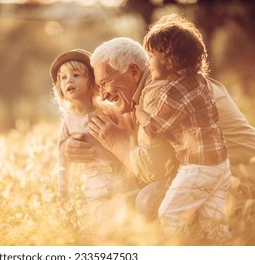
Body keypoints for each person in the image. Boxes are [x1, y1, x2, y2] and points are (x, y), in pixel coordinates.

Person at [64, 33, 255, 242]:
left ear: (134, 71)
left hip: (239, 178)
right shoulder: (150, 91)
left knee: (147, 200)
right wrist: (78, 145)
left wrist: (114, 141)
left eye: (105, 83)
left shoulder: (157, 91)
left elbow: (154, 168)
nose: (103, 95)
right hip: (222, 171)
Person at [134, 13, 231, 240]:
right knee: (214, 224)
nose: (148, 62)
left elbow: (154, 128)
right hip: (220, 165)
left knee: (169, 215)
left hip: (198, 167)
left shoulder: (173, 91)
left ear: (170, 59)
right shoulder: (199, 81)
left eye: (151, 56)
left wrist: (139, 113)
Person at [49, 49, 133, 218]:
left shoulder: (109, 111)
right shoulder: (68, 122)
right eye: (63, 77)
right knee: (100, 216)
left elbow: (129, 137)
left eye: (76, 75)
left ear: (92, 82)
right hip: (95, 181)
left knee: (125, 216)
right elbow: (62, 160)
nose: (69, 81)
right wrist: (63, 193)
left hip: (121, 178)